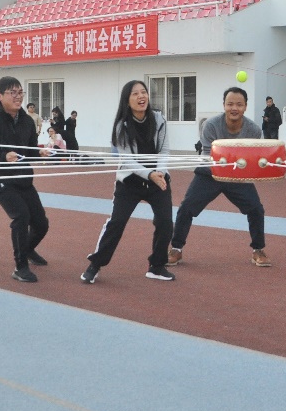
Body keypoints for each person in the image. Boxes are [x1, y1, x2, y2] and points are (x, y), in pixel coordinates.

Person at [82, 81, 175, 284]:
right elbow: (127, 161)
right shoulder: (121, 126)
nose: (141, 96)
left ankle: (157, 266)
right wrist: (149, 174)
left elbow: (164, 150)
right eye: (135, 94)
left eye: (143, 92)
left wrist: (159, 172)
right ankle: (95, 264)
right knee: (116, 222)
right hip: (130, 182)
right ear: (127, 100)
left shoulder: (159, 119)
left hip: (157, 180)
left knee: (166, 223)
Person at [168, 86, 272, 268]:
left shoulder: (254, 130)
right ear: (224, 105)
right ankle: (176, 249)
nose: (234, 108)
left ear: (245, 107)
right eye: (230, 104)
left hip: (237, 177)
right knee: (186, 208)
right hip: (209, 174)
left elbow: (252, 158)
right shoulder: (211, 125)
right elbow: (211, 155)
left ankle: (258, 250)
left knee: (256, 209)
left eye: (239, 104)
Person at [0, 77, 51, 284]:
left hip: (23, 179)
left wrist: (40, 152)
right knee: (21, 216)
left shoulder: (27, 121)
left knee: (41, 224)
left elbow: (29, 151)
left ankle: (27, 249)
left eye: (20, 92)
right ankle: (20, 267)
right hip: (0, 180)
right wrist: (3, 157)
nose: (18, 97)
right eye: (12, 93)